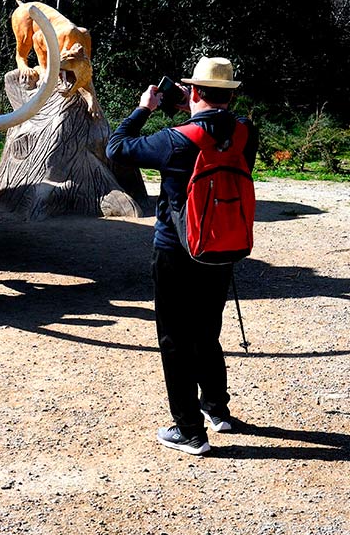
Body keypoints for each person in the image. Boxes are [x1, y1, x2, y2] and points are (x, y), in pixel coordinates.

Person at [106, 56, 258, 456]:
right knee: (207, 330)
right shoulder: (246, 132)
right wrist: (194, 110)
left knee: (175, 338)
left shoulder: (175, 139)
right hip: (224, 247)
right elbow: (220, 132)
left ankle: (189, 430)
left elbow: (117, 148)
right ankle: (217, 410)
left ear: (194, 92)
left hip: (176, 249)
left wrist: (145, 107)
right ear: (228, 95)